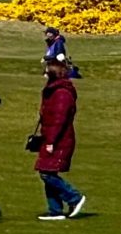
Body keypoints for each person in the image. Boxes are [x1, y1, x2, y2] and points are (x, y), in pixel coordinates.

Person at [33, 54, 86, 221]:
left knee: (46, 173)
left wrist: (51, 141)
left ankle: (74, 197)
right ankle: (55, 210)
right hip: (51, 137)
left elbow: (59, 120)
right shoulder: (53, 90)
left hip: (59, 140)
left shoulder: (62, 93)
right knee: (47, 172)